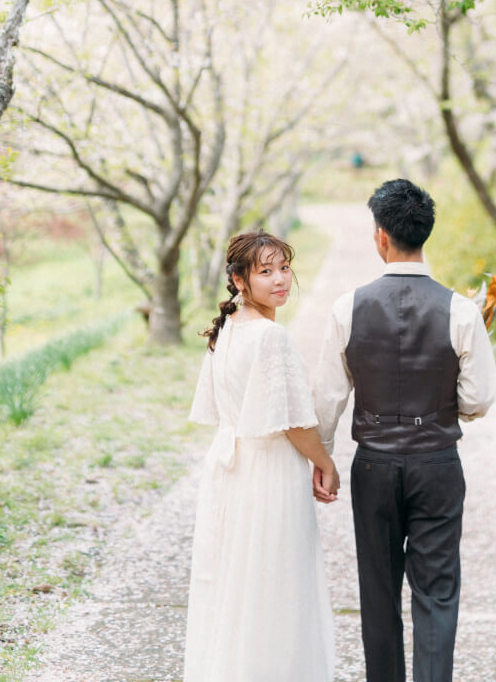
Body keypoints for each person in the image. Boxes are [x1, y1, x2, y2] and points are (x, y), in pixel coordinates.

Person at [313, 179, 496, 682]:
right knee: (436, 593)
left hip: (373, 465)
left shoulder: (346, 308)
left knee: (378, 594)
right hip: (437, 463)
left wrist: (323, 459)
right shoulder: (461, 310)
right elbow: (478, 399)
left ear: (381, 236)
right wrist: (447, 405)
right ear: (425, 233)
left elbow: (327, 398)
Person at [182, 230, 338, 682]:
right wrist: (325, 462)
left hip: (231, 471)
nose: (280, 279)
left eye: (284, 268)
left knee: (235, 582)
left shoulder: (229, 327)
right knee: (275, 581)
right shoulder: (270, 336)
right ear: (239, 279)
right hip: (268, 471)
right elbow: (292, 422)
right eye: (265, 271)